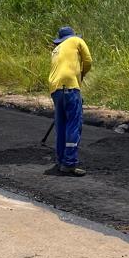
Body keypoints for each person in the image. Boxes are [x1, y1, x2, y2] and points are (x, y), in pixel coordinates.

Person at [47, 25, 92, 176]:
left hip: (55, 89)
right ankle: (69, 163)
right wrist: (81, 75)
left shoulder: (56, 50)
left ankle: (60, 160)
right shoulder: (76, 40)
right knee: (73, 124)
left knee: (61, 124)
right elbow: (88, 61)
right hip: (70, 87)